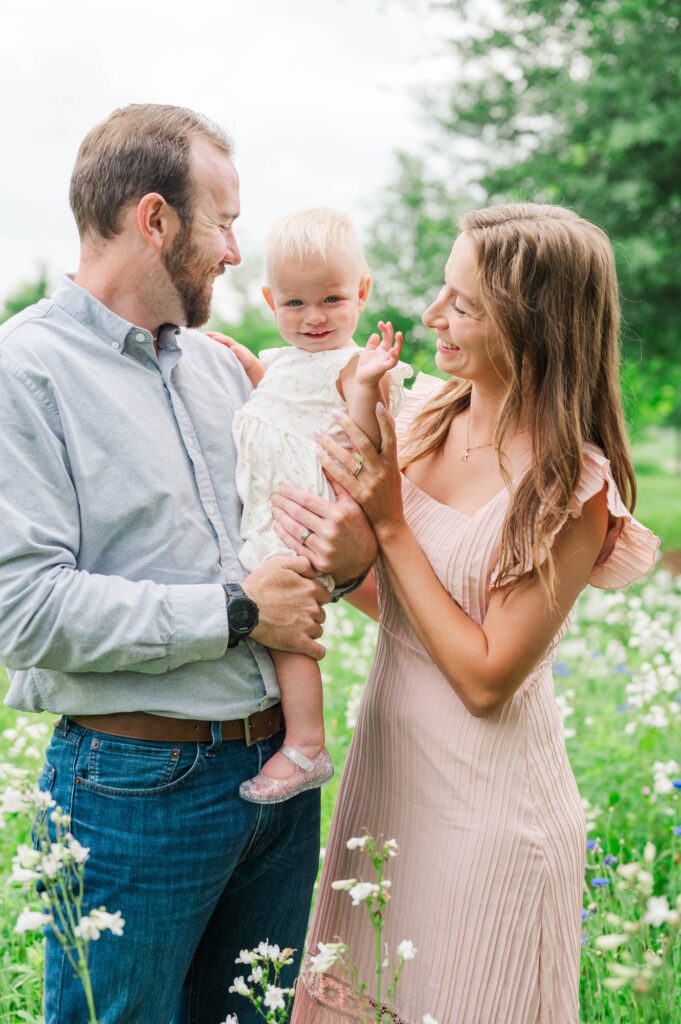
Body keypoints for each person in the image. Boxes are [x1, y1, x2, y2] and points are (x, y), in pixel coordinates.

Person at [0, 104, 375, 1024]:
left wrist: (354, 548)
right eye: (225, 222)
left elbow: (308, 548)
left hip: (277, 783)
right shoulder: (25, 372)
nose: (238, 253)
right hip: (135, 790)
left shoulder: (226, 371)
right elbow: (22, 610)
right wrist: (236, 613)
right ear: (156, 219)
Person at [268, 204, 660, 1024]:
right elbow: (411, 615)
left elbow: (484, 679)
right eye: (443, 292)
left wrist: (389, 524)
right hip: (388, 790)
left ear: (533, 324)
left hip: (487, 821)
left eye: (464, 305)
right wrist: (348, 573)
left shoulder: (568, 487)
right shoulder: (429, 416)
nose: (431, 317)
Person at [225, 209, 410, 804]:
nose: (314, 318)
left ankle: (307, 743)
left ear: (362, 293)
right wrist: (252, 368)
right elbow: (280, 407)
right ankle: (295, 736)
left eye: (331, 299)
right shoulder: (282, 363)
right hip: (276, 515)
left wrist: (366, 388)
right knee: (272, 623)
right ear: (269, 299)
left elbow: (361, 444)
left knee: (285, 631)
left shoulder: (355, 366)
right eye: (295, 304)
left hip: (314, 519)